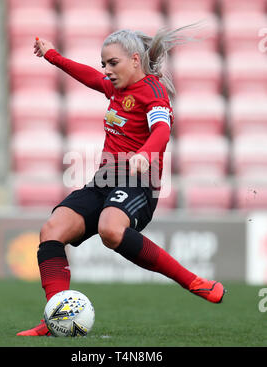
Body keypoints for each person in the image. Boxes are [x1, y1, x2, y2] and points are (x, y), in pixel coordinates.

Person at [17, 27, 226, 336]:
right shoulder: (117, 87)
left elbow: (162, 132)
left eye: (112, 63)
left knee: (110, 229)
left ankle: (194, 282)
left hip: (139, 181)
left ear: (135, 59)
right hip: (104, 178)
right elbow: (89, 76)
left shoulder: (154, 92)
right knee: (51, 231)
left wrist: (145, 154)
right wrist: (52, 55)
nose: (107, 70)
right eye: (104, 64)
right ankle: (56, 316)